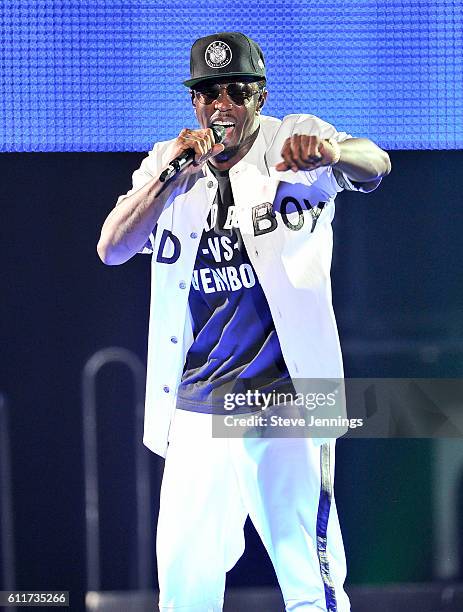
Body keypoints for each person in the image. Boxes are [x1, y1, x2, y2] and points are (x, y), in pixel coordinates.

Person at [97, 31, 391, 612]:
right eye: (207, 93)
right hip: (197, 408)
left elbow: (376, 163)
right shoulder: (169, 163)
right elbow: (111, 248)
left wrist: (332, 153)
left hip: (284, 402)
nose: (220, 105)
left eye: (235, 91)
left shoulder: (293, 142)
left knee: (311, 585)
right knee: (184, 592)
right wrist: (169, 176)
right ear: (195, 103)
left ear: (258, 96)